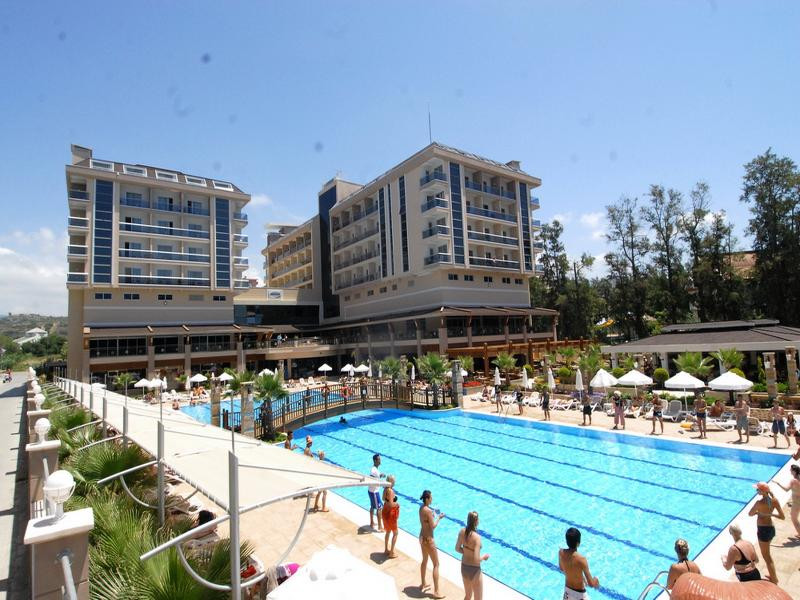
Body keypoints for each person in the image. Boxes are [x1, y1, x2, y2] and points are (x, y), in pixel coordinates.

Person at [748, 481, 785, 584]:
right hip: (771, 529)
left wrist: (759, 513)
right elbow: (782, 517)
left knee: (767, 557)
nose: (756, 491)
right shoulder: (774, 500)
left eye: (757, 489)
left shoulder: (758, 503)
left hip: (763, 530)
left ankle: (774, 580)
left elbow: (750, 513)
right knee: (767, 555)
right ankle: (773, 576)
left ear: (762, 491)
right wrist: (770, 514)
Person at [455, 511, 490, 600]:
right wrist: (484, 557)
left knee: (468, 596)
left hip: (464, 567)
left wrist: (466, 552)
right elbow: (476, 560)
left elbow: (457, 548)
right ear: (476, 521)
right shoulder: (477, 538)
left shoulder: (462, 532)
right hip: (474, 571)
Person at [418, 490, 445, 599]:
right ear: (427, 499)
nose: (432, 499)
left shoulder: (421, 508)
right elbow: (433, 526)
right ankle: (436, 592)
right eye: (431, 497)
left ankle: (423, 583)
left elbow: (425, 521)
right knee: (436, 564)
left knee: (424, 561)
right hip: (429, 540)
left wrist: (432, 514)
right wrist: (439, 518)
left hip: (422, 538)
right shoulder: (428, 511)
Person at [558, 527, 599, 599]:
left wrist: (580, 577)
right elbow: (591, 584)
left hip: (567, 592)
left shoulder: (561, 552)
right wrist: (596, 580)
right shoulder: (582, 560)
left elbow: (562, 568)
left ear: (566, 541)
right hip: (580, 595)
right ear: (578, 543)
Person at [774, 464, 800, 538]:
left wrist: (778, 483)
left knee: (794, 518)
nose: (790, 471)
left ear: (794, 471)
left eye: (791, 470)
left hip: (797, 503)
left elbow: (786, 489)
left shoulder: (793, 481)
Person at [382, 475, 399, 557]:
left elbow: (383, 499)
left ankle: (386, 549)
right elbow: (392, 504)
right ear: (391, 482)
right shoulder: (391, 491)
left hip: (385, 512)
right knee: (395, 533)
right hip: (390, 514)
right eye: (394, 481)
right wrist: (397, 504)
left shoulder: (385, 489)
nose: (395, 482)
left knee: (388, 532)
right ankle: (391, 552)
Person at [368, 454, 387, 531]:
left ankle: (372, 522)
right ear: (375, 460)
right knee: (379, 508)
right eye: (379, 459)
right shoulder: (375, 471)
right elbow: (375, 477)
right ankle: (380, 526)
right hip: (374, 492)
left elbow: (375, 477)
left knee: (372, 507)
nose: (380, 461)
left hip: (371, 490)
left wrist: (381, 475)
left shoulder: (374, 469)